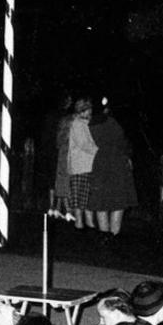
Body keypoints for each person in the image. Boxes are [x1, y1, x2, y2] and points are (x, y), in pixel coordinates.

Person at [87, 97, 137, 238]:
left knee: (101, 204)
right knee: (117, 204)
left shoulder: (91, 125)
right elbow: (124, 143)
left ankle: (105, 237)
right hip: (117, 165)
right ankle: (114, 236)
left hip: (100, 165)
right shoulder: (114, 123)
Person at [62, 97, 96, 231]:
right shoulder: (77, 124)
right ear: (83, 111)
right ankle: (79, 226)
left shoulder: (85, 124)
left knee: (84, 199)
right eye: (88, 110)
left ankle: (85, 225)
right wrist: (98, 151)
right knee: (79, 199)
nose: (90, 112)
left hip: (85, 165)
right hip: (80, 166)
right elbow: (84, 144)